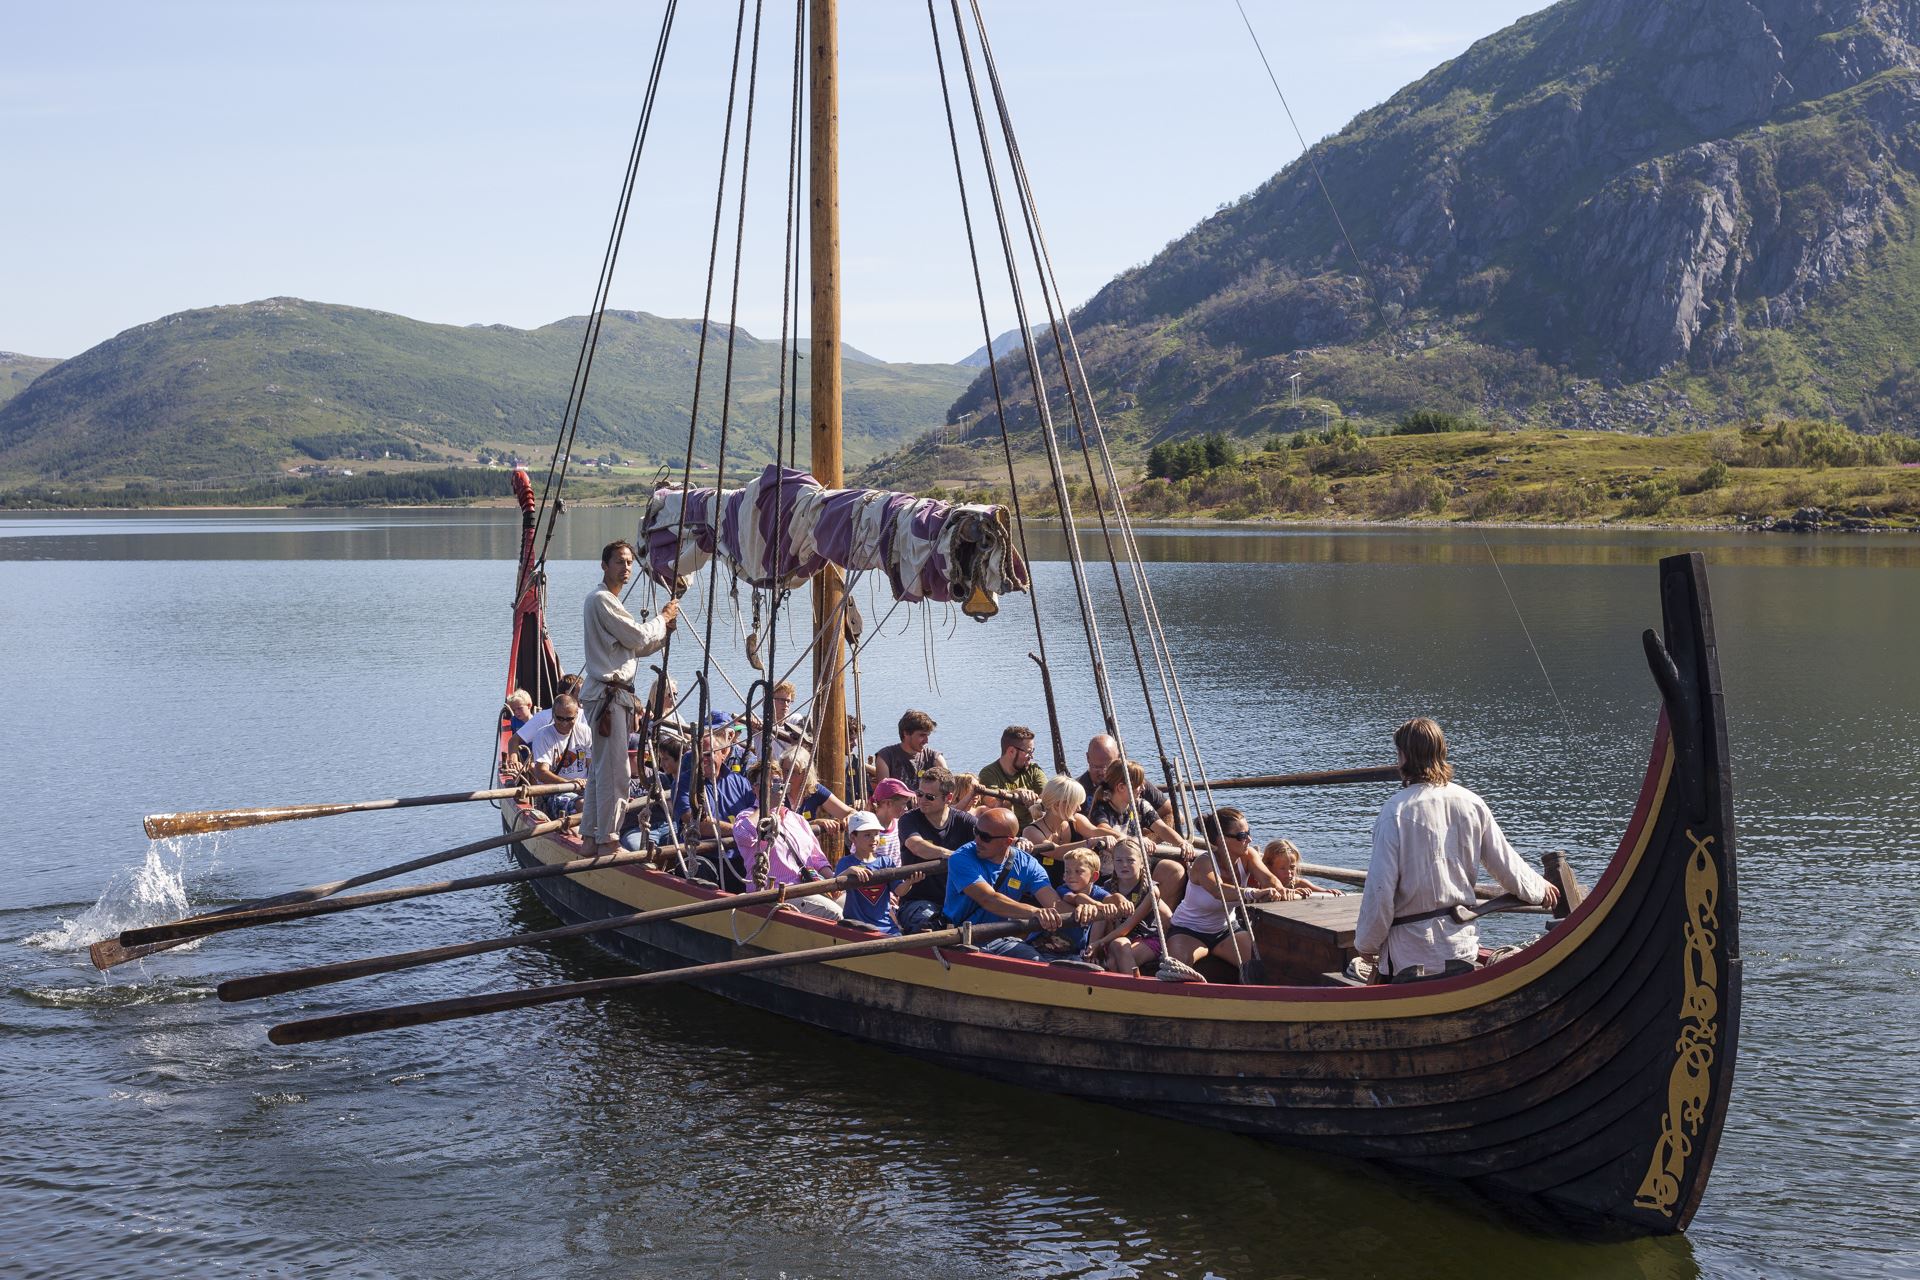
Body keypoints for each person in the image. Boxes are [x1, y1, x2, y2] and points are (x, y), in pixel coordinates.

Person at [1356, 717, 1558, 983]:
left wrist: (1367, 945)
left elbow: (1380, 890)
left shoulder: (1395, 811)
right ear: (1441, 752)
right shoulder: (1471, 803)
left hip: (1410, 955)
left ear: (1403, 757)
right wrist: (1540, 888)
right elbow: (1505, 863)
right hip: (1460, 947)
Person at [580, 540, 680, 854]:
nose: (626, 569)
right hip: (609, 698)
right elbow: (637, 636)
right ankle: (608, 840)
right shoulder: (602, 600)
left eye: (629, 563)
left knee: (601, 772)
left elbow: (633, 646)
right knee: (616, 773)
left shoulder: (607, 603)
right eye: (620, 562)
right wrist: (662, 619)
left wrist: (663, 634)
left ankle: (589, 837)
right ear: (604, 565)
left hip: (610, 697)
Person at [943, 808, 1113, 962]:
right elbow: (989, 899)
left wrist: (1083, 911)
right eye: (976, 832)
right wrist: (1035, 912)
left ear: (1008, 842)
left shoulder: (1027, 864)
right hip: (959, 937)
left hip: (1000, 937)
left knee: (1039, 964)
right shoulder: (962, 857)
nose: (977, 840)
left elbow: (1054, 904)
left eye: (985, 837)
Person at [1164, 808, 1286, 983]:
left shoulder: (1248, 856)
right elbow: (1218, 890)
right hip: (1188, 931)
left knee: (1263, 964)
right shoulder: (1203, 863)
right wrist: (1254, 893)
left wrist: (1281, 890)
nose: (1249, 840)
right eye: (1242, 836)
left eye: (1249, 833)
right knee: (1176, 971)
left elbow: (1269, 879)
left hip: (1227, 930)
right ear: (1222, 840)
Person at [1089, 758, 1196, 906]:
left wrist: (1181, 842)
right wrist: (1136, 840)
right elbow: (1103, 829)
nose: (1143, 788)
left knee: (1175, 870)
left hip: (1137, 864)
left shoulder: (1140, 805)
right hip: (1111, 870)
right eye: (1138, 785)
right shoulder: (1101, 808)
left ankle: (1156, 919)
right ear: (1121, 787)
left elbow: (1162, 828)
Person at [731, 794, 849, 922]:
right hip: (777, 892)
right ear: (755, 788)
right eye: (771, 785)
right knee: (835, 914)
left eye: (780, 784)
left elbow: (817, 858)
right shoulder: (747, 816)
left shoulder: (797, 819)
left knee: (851, 905)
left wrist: (832, 882)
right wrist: (767, 805)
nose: (778, 790)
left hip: (809, 885)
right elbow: (743, 836)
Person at [895, 766, 978, 933]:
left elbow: (990, 839)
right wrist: (953, 856)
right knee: (927, 925)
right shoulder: (908, 820)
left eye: (930, 797)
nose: (922, 800)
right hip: (916, 901)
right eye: (919, 794)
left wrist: (1019, 841)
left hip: (957, 900)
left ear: (948, 798)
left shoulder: (965, 821)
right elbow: (916, 846)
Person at [1089, 839, 1168, 976]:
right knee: (1115, 951)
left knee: (1118, 947)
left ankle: (1136, 991)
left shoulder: (1151, 890)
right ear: (1113, 862)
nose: (1124, 865)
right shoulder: (1108, 886)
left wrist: (1099, 943)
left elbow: (1127, 926)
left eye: (1130, 860)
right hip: (1115, 938)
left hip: (1146, 938)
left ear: (1142, 863)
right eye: (1119, 861)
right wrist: (1092, 946)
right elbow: (1099, 919)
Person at [835, 810, 915, 934]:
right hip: (857, 926)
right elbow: (834, 888)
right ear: (852, 837)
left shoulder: (886, 862)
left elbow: (899, 891)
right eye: (867, 835)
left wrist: (910, 882)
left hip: (886, 926)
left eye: (876, 834)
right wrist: (849, 871)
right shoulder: (846, 863)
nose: (874, 839)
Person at [1019, 774, 1103, 886]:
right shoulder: (1031, 831)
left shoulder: (1076, 820)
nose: (1079, 808)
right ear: (1058, 805)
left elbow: (1095, 832)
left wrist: (1120, 838)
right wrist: (1090, 842)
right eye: (1076, 803)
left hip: (1074, 886)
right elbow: (1057, 852)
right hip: (1044, 889)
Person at [672, 727, 755, 839]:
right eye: (698, 755)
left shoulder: (740, 782)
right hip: (704, 854)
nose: (702, 759)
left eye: (707, 754)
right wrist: (739, 831)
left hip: (743, 851)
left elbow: (757, 809)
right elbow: (694, 821)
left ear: (724, 753)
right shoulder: (683, 783)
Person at [1077, 734, 1173, 827]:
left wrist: (1150, 835)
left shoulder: (1136, 784)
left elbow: (1172, 813)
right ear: (1088, 758)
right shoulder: (1076, 790)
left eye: (1108, 766)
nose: (1103, 772)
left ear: (1119, 758)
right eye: (1097, 767)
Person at [522, 693, 591, 817]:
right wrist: (570, 784)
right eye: (560, 718)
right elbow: (541, 773)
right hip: (555, 791)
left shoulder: (585, 731)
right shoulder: (543, 735)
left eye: (569, 719)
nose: (564, 723)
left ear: (577, 715)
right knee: (582, 804)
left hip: (585, 787)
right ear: (553, 715)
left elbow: (592, 765)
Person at [1037, 848, 1112, 958]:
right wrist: (1096, 904)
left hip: (1074, 950)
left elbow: (1112, 899)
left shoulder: (1099, 893)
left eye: (1078, 871)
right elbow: (1074, 898)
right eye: (1067, 871)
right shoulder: (1063, 889)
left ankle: (1091, 950)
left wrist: (1121, 902)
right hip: (1048, 944)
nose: (1071, 875)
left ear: (1093, 876)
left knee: (1101, 916)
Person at [977, 725, 1047, 829]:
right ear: (1011, 751)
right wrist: (1015, 794)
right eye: (1028, 752)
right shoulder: (988, 773)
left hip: (1033, 829)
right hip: (1004, 832)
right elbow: (992, 803)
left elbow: (1049, 797)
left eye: (1032, 751)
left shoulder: (1034, 770)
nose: (1031, 756)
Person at [872, 710, 945, 790]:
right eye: (922, 735)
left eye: (927, 735)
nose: (926, 740)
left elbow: (948, 786)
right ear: (906, 733)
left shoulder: (935, 758)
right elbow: (884, 793)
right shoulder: (886, 757)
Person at [1263, 838, 1343, 898]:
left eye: (1292, 867)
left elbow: (1320, 891)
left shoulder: (1300, 884)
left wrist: (1328, 892)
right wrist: (1294, 892)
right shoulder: (1263, 884)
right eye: (1282, 868)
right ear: (1269, 867)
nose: (1289, 872)